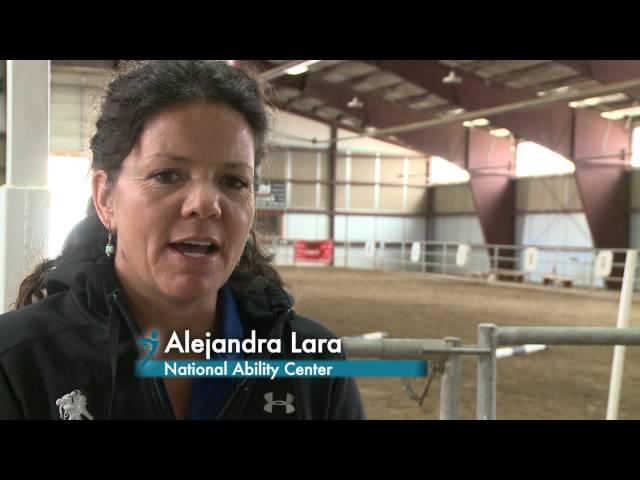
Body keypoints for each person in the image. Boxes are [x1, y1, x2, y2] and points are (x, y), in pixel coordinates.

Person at [0, 60, 366, 420]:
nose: (206, 205)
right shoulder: (18, 363)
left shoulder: (314, 367)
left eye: (234, 181)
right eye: (168, 175)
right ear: (106, 198)